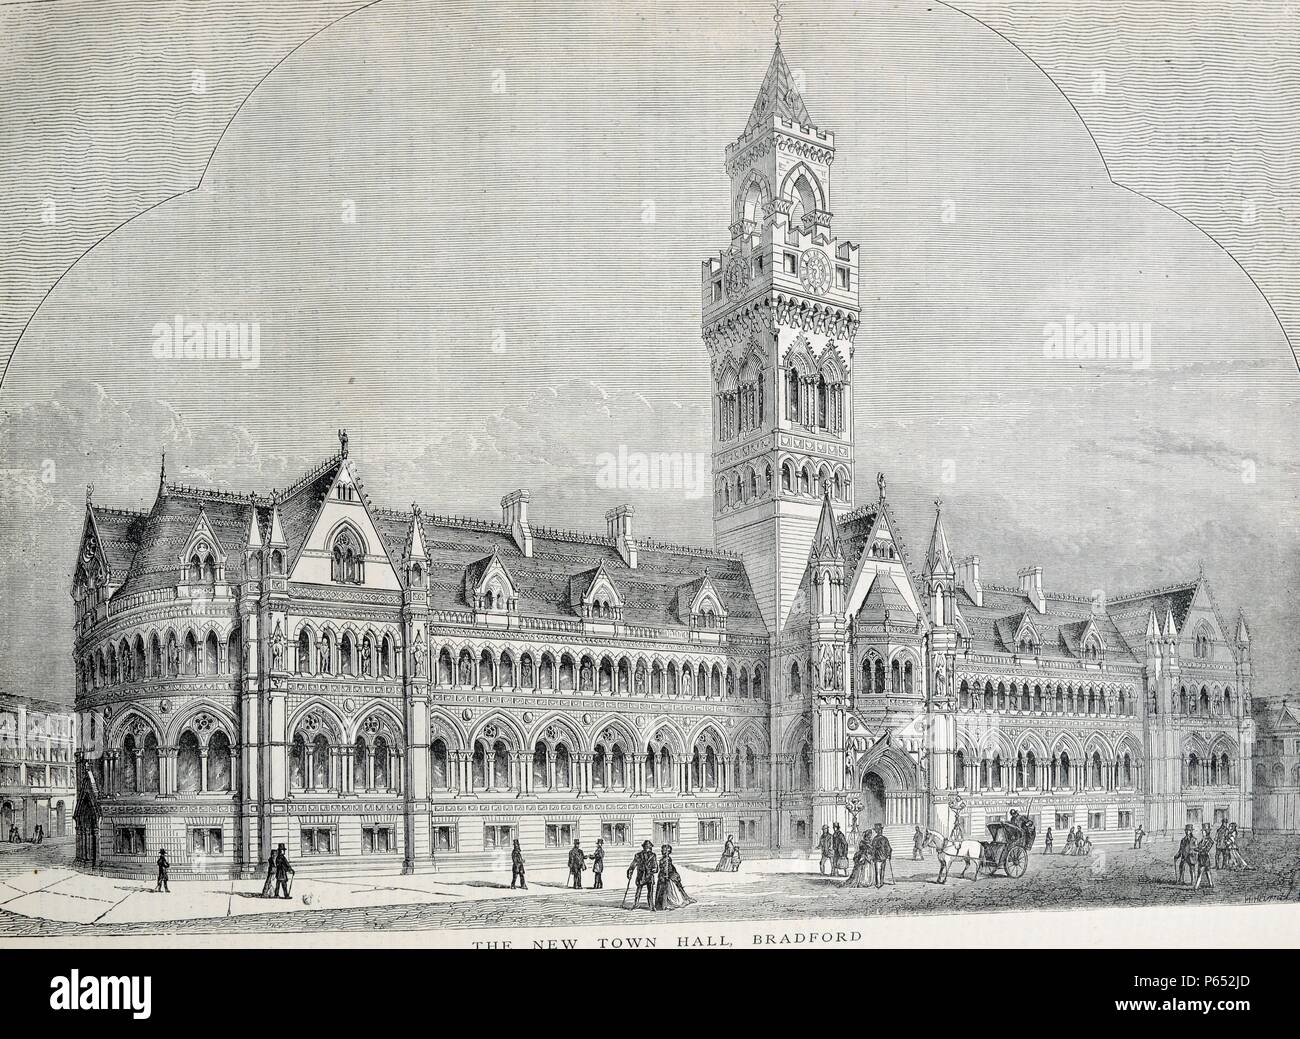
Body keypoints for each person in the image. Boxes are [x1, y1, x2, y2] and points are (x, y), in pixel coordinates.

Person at [654, 844, 696, 910]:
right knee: (662, 891)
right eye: (662, 850)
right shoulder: (663, 859)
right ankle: (662, 904)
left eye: (664, 850)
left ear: (668, 852)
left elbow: (668, 868)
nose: (662, 851)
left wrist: (667, 875)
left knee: (669, 891)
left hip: (667, 877)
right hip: (663, 876)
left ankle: (666, 904)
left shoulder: (667, 859)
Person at [627, 840, 657, 910]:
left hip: (649, 875)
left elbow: (655, 866)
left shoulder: (653, 855)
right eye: (646, 847)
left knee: (650, 892)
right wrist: (630, 871)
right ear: (643, 847)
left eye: (649, 847)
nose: (647, 848)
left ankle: (651, 906)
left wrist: (654, 869)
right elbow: (633, 864)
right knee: (638, 891)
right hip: (641, 875)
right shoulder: (638, 855)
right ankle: (636, 904)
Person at [870, 823, 892, 888]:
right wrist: (889, 854)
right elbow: (889, 848)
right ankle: (880, 882)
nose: (880, 831)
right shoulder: (884, 838)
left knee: (878, 870)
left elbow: (888, 848)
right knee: (881, 870)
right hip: (882, 857)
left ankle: (878, 883)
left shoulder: (875, 839)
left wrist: (889, 854)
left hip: (878, 857)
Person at [1194, 824, 1215, 891]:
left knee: (1201, 872)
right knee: (1207, 871)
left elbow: (1206, 850)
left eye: (1203, 831)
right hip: (1201, 857)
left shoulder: (1210, 840)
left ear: (1207, 831)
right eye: (1202, 831)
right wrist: (1196, 848)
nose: (1202, 832)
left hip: (1205, 858)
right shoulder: (1202, 840)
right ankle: (1211, 884)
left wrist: (1199, 849)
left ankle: (1196, 886)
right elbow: (1199, 847)